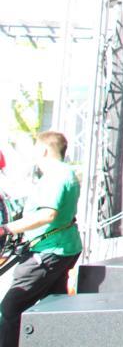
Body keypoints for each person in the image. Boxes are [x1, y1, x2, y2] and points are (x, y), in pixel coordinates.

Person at [0, 131, 82, 347]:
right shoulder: (67, 173)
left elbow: (47, 214)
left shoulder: (56, 176)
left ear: (44, 150)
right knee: (52, 307)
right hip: (63, 247)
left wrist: (7, 229)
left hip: (48, 251)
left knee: (10, 309)